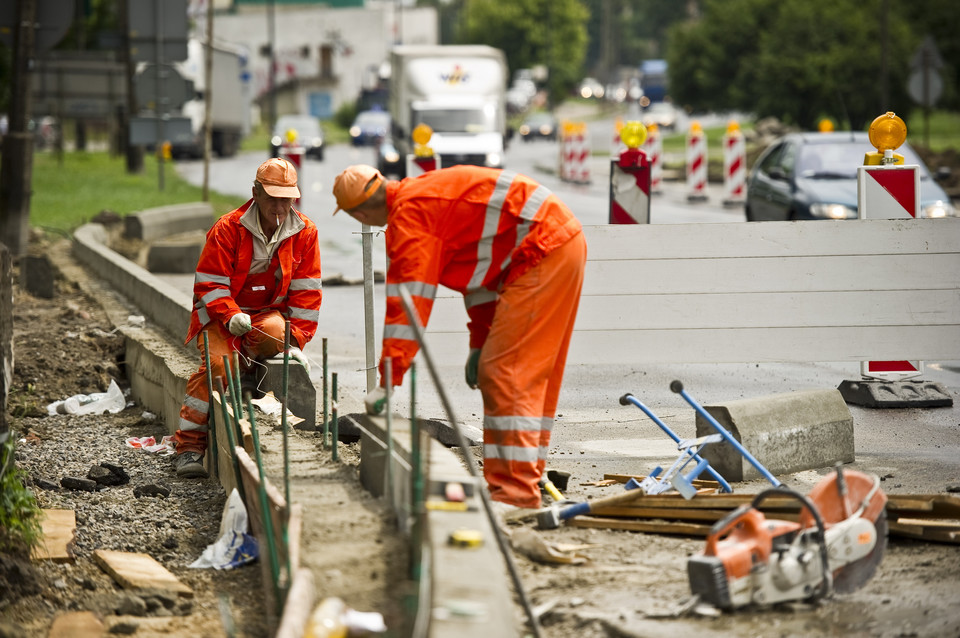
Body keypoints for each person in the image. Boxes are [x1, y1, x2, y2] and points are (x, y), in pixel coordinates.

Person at [332, 164, 587, 511]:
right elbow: (481, 279)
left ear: (359, 213)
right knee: (515, 372)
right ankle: (519, 479)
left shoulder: (411, 218)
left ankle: (515, 492)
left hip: (542, 250)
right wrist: (479, 343)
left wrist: (387, 381)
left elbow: (407, 307)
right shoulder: (420, 196)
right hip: (552, 244)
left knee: (506, 373)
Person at [174, 157, 323, 478]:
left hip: (264, 319)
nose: (280, 207)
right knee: (216, 366)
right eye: (273, 198)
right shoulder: (228, 229)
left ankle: (243, 371)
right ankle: (189, 448)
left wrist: (294, 342)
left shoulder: (305, 233)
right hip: (221, 319)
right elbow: (210, 284)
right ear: (256, 193)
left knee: (276, 332)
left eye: (287, 199)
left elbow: (307, 296)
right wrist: (230, 316)